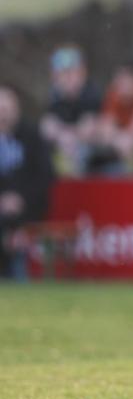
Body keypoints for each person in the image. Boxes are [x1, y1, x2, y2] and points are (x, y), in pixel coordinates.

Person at [0, 85, 54, 278]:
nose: (2, 116)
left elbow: (46, 176)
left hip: (30, 207)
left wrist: (20, 199)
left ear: (17, 109)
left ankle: (16, 276)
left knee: (12, 226)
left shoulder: (33, 136)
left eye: (6, 110)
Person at [40, 46, 102, 176]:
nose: (67, 78)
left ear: (82, 73)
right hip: (67, 148)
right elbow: (47, 125)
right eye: (62, 73)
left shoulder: (91, 93)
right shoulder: (55, 96)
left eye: (71, 72)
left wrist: (68, 135)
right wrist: (62, 135)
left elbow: (89, 127)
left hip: (96, 156)